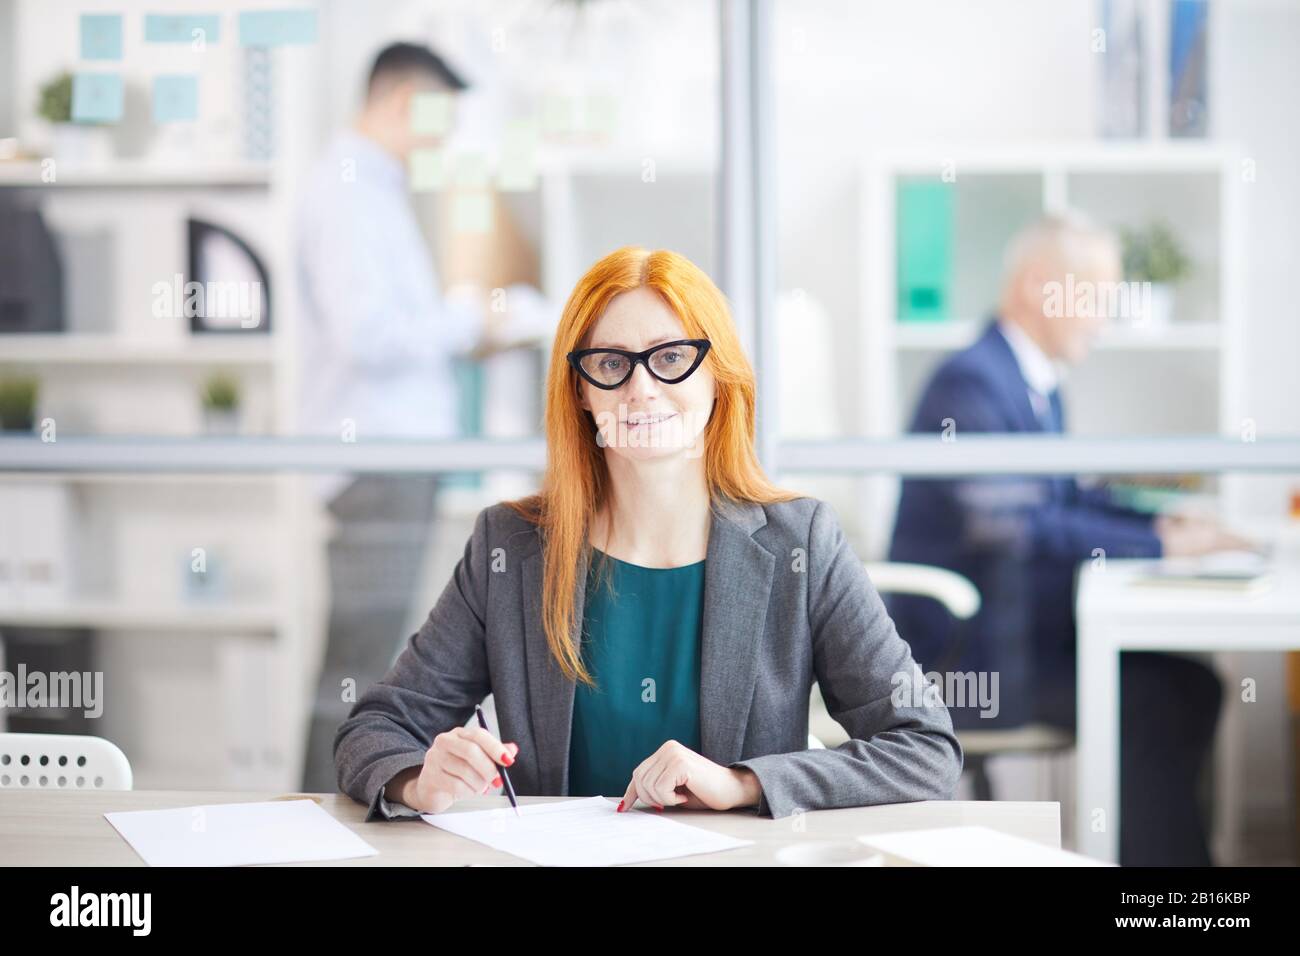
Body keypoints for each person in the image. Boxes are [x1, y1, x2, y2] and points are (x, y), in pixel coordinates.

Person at [334, 246, 963, 820]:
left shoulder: (801, 542)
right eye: (611, 363)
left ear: (717, 376)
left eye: (670, 358)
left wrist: (744, 782)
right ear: (579, 389)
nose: (641, 390)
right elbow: (377, 727)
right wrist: (419, 779)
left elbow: (924, 747)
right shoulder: (511, 545)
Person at [887, 213, 1246, 865]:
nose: (1104, 318)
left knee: (1193, 687)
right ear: (1037, 287)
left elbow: (1066, 496)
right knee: (1158, 700)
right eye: (1095, 296)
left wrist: (1159, 525)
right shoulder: (971, 384)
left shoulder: (1030, 381)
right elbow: (1019, 525)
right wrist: (1162, 550)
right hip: (971, 661)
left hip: (1023, 633)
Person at [295, 42, 498, 792]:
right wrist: (461, 322)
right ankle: (316, 815)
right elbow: (367, 334)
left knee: (364, 661)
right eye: (438, 118)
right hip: (376, 462)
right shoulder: (347, 191)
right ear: (402, 101)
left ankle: (328, 809)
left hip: (392, 462)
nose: (442, 140)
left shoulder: (371, 189)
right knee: (357, 668)